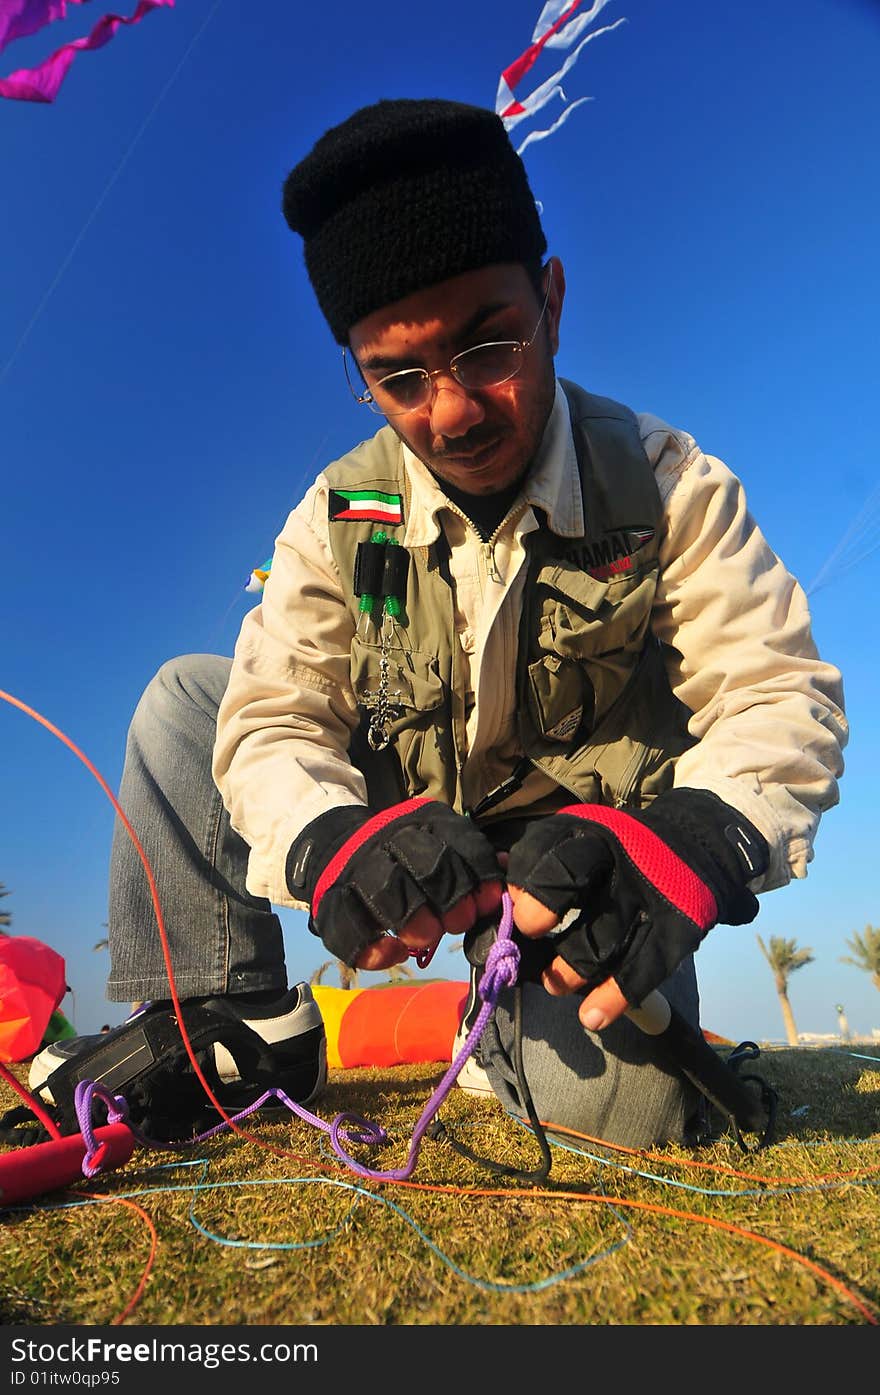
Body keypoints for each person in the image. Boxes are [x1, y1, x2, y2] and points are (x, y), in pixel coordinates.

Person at [30, 97, 847, 1150]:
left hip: (579, 867)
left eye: (488, 343)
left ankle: (497, 1014)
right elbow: (274, 712)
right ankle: (225, 1016)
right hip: (410, 827)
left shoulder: (664, 482)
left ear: (550, 300)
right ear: (360, 376)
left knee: (620, 1119)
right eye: (398, 378)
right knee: (190, 695)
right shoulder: (335, 515)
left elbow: (778, 693)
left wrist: (693, 840)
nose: (451, 409)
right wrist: (330, 839)